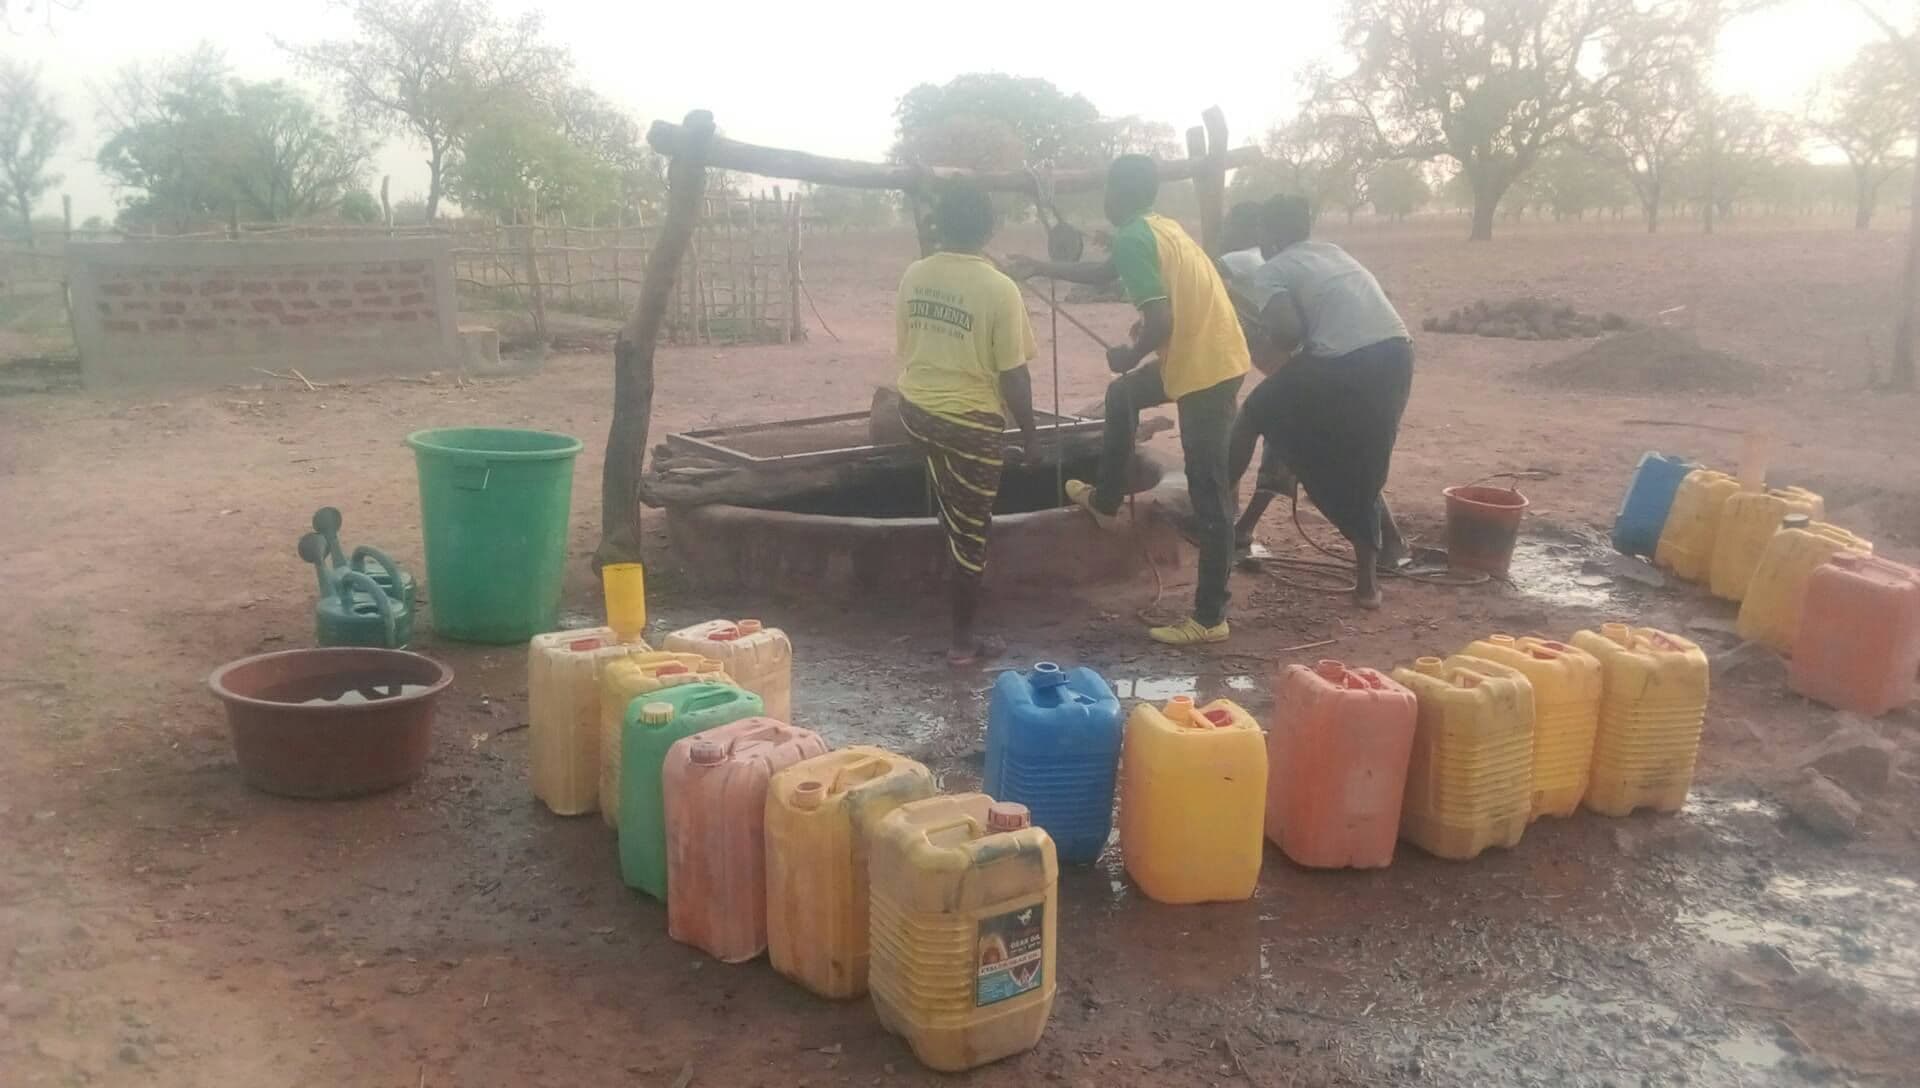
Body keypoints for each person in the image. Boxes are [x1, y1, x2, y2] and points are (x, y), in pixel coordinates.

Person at [1009, 155, 1251, 646]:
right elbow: (1104, 272)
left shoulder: (1134, 235)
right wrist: (1040, 266)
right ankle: (1106, 499)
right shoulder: (1158, 228)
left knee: (1209, 490)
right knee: (1123, 395)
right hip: (1210, 354)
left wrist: (1130, 352)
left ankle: (1209, 618)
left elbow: (1158, 320)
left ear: (1113, 193)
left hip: (1206, 367)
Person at [1230, 195, 1412, 609]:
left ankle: (1218, 519)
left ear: (1267, 232)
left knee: (1254, 414)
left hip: (1341, 362)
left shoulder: (1270, 270)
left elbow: (1288, 334)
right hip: (1397, 353)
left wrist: (1260, 331)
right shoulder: (1331, 253)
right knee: (1363, 460)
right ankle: (1367, 586)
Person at [894, 181, 1039, 666]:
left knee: (951, 505)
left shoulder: (915, 274)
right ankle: (962, 643)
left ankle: (948, 537)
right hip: (969, 425)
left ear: (938, 224)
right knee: (973, 537)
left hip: (913, 411)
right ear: (990, 227)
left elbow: (907, 347)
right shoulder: (1000, 288)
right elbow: (1014, 375)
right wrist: (1031, 439)